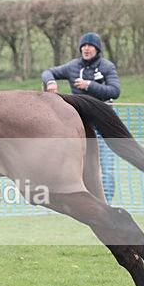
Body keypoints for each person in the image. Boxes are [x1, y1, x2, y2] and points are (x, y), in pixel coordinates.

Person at [41, 32, 120, 203]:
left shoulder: (107, 67)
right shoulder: (73, 66)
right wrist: (51, 82)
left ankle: (107, 203)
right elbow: (48, 72)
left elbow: (115, 91)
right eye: (83, 46)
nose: (86, 48)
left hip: (103, 125)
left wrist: (90, 85)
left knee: (106, 169)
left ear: (97, 49)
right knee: (78, 167)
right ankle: (86, 202)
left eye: (90, 46)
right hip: (80, 126)